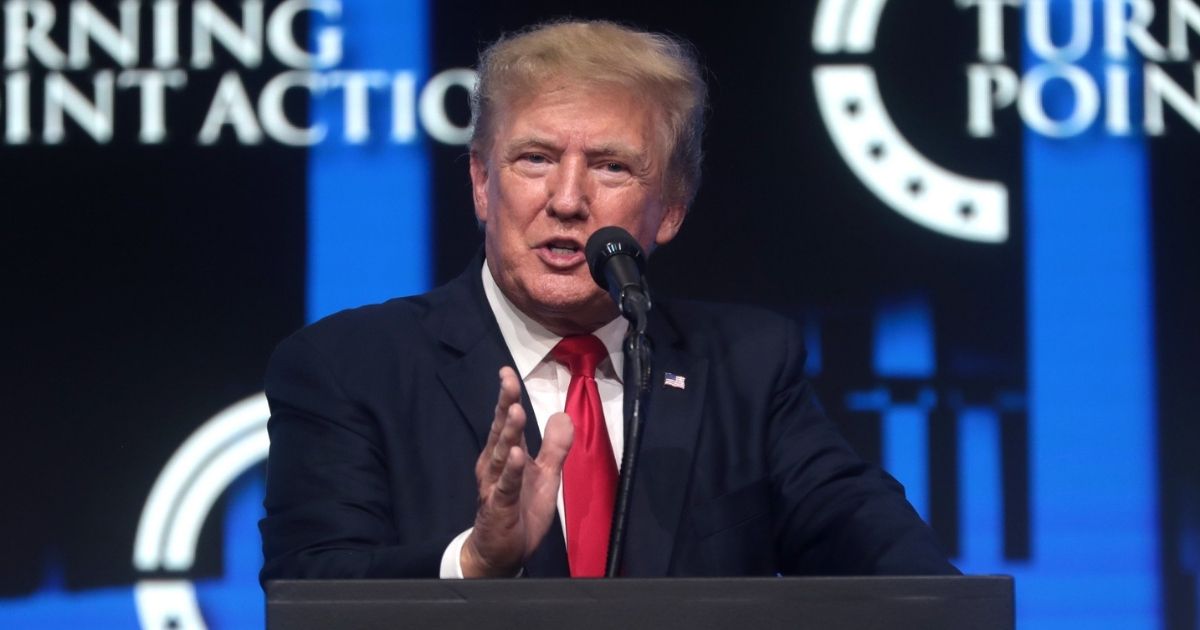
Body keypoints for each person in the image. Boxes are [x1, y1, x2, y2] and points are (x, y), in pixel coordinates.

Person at [259, 19, 957, 582]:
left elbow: (873, 543)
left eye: (611, 167)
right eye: (533, 159)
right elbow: (311, 586)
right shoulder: (349, 367)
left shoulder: (746, 366)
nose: (567, 201)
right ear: (479, 182)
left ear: (672, 209)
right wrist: (473, 563)